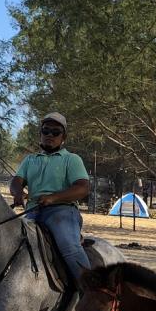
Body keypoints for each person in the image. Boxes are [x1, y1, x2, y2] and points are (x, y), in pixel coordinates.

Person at [10, 112, 91, 284]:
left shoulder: (71, 159)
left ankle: (91, 288)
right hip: (32, 211)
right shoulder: (30, 160)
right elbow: (16, 181)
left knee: (69, 246)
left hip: (62, 212)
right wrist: (17, 193)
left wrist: (53, 198)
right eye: (46, 131)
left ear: (64, 137)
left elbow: (82, 188)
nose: (50, 136)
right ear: (40, 134)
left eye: (55, 132)